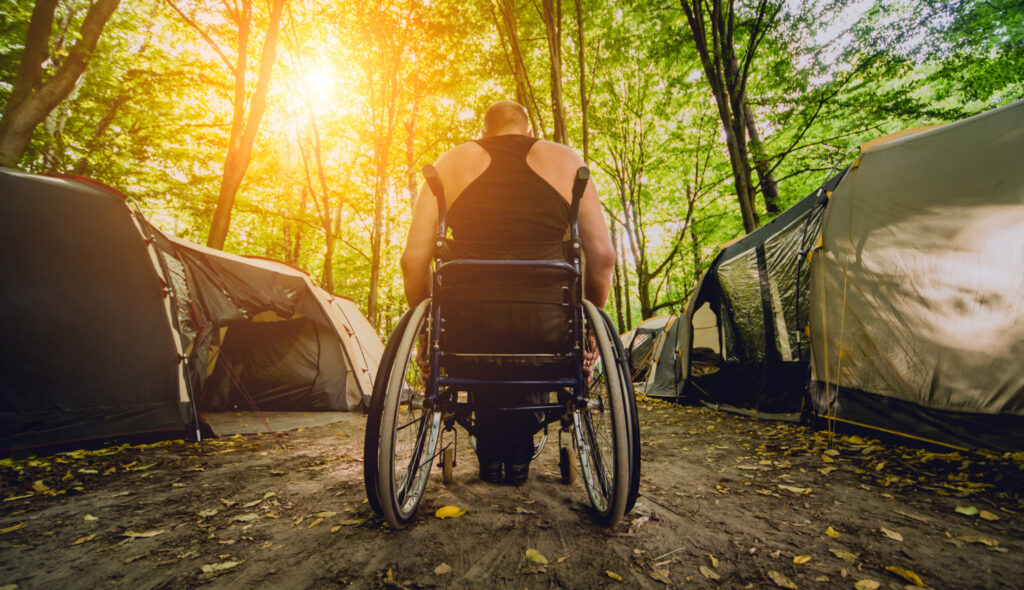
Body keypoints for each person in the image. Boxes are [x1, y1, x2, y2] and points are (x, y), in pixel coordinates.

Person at [400, 100, 614, 484]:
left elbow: (412, 260)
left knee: (484, 329)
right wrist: (590, 329)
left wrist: (424, 332)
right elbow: (603, 257)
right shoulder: (566, 162)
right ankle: (516, 452)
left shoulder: (449, 164)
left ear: (482, 134)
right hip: (548, 334)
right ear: (530, 132)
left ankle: (494, 451)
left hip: (468, 333)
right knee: (532, 328)